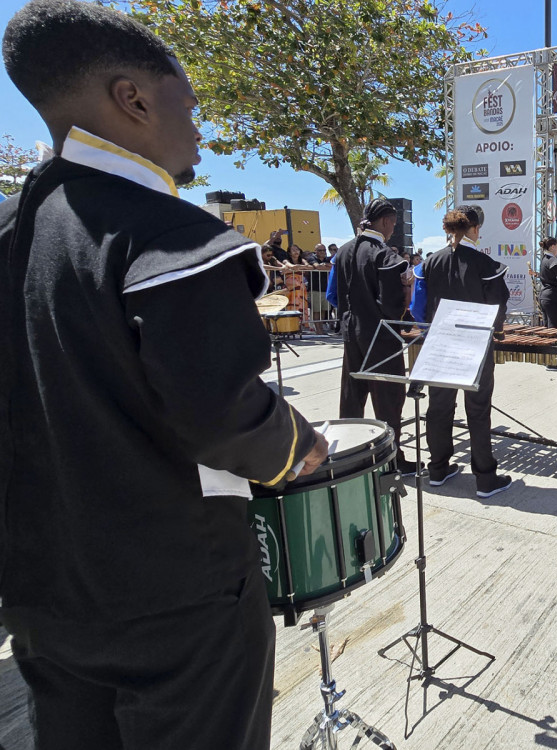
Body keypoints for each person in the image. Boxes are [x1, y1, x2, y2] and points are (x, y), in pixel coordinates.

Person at [0, 3, 329, 748]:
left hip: (39, 591)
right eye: (190, 100)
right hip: (172, 595)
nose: (200, 125)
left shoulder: (10, 228)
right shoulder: (170, 234)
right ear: (134, 98)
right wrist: (296, 444)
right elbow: (220, 415)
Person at [410, 205, 513, 498]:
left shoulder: (430, 263)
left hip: (440, 345)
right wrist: (498, 328)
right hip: (475, 346)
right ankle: (485, 479)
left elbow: (418, 308)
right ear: (475, 229)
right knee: (477, 410)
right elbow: (498, 306)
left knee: (439, 408)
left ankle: (438, 470)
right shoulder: (485, 264)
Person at [335, 198, 419, 474]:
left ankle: (349, 456)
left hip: (351, 332)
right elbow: (393, 304)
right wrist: (406, 289)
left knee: (352, 397)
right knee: (389, 399)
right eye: (393, 223)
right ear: (384, 222)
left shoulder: (345, 251)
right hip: (380, 337)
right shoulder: (385, 255)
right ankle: (391, 459)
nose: (393, 229)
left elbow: (335, 295)